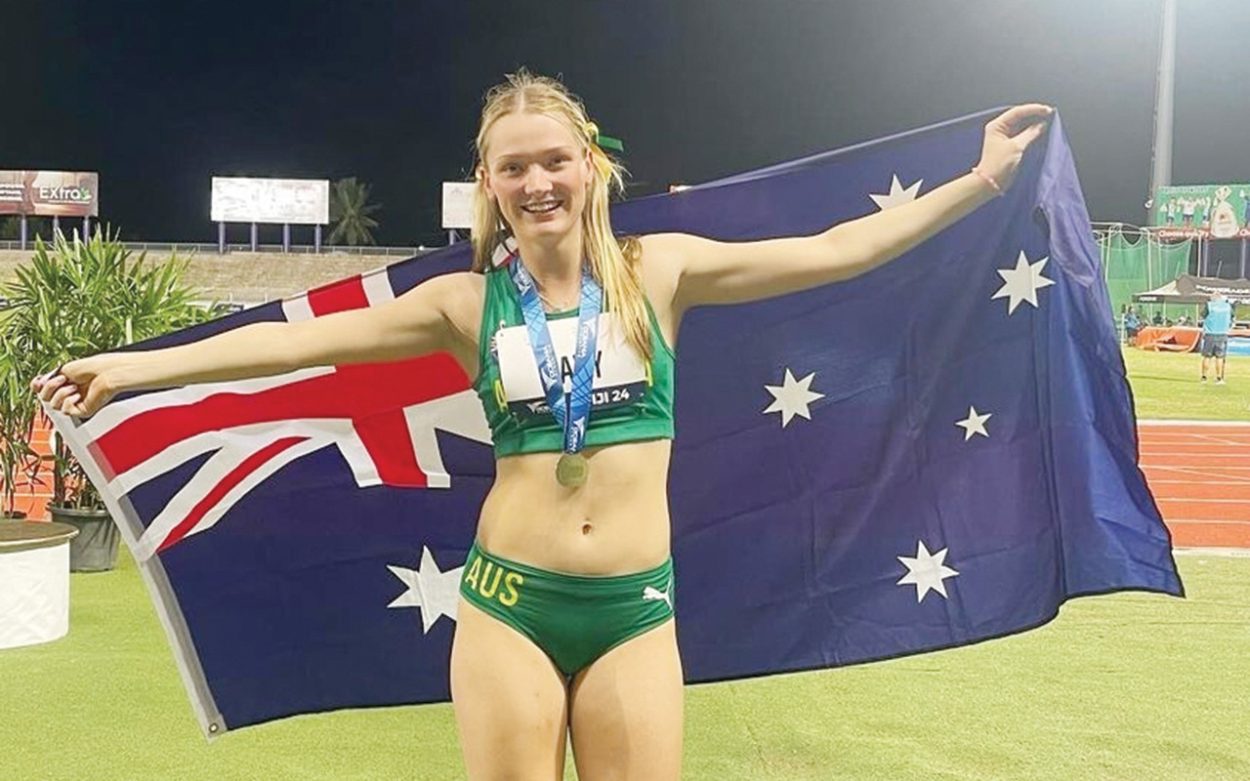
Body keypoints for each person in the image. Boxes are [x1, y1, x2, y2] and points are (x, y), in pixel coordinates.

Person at [31, 71, 1051, 780]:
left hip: (634, 612)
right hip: (508, 608)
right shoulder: (466, 305)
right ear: (489, 184)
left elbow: (836, 249)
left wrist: (977, 183)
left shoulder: (663, 270)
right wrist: (133, 370)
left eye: (552, 160)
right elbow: (297, 350)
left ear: (589, 167)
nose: (536, 182)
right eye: (513, 167)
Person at [1200, 291, 1234, 384]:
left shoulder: (1209, 306)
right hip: (1222, 334)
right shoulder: (1228, 307)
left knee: (1207, 356)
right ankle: (1219, 378)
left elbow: (1203, 315)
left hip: (1210, 334)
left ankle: (1204, 377)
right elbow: (1232, 317)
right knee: (1220, 357)